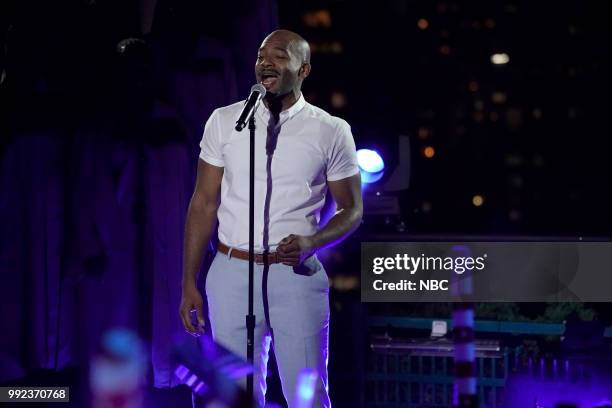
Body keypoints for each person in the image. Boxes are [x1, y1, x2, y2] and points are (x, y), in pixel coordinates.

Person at [180, 29, 362, 407]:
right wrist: (189, 281)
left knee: (306, 397)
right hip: (230, 271)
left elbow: (352, 208)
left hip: (294, 275)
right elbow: (203, 203)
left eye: (279, 55)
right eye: (262, 55)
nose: (266, 62)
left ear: (304, 69)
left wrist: (313, 241)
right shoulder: (225, 120)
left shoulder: (330, 130)